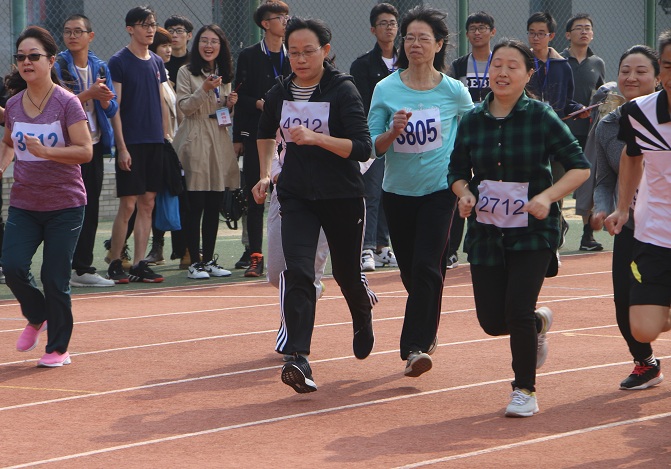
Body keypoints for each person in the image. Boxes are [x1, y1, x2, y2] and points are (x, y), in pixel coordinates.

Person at [449, 39, 590, 417]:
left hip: (533, 230)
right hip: (486, 231)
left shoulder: (541, 117)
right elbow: (457, 172)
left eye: (513, 66)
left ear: (529, 74)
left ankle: (524, 390)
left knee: (518, 309)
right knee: (493, 321)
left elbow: (579, 167)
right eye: (497, 65)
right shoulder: (472, 120)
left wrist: (547, 197)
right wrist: (464, 194)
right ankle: (538, 324)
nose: (502, 72)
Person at [252, 17, 377, 393]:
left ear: (325, 50)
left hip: (341, 195)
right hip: (296, 196)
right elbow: (264, 132)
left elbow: (363, 147)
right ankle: (299, 358)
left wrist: (317, 138)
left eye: (308, 51)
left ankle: (362, 314)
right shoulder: (280, 92)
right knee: (299, 272)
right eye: (293, 53)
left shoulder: (343, 90)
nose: (301, 59)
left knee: (346, 274)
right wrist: (264, 174)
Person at [368, 5, 473, 377]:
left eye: (423, 38)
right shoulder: (386, 88)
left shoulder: (453, 91)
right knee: (413, 275)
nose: (415, 44)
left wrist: (468, 177)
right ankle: (426, 332)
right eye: (409, 37)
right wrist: (392, 132)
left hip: (439, 191)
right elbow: (373, 147)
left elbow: (473, 129)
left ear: (439, 44)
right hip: (398, 193)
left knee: (428, 267)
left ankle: (414, 348)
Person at [0, 26, 93, 367]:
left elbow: (85, 151)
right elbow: (10, 143)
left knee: (54, 278)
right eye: (21, 57)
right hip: (25, 203)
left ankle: (57, 348)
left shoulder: (67, 103)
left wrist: (48, 152)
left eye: (34, 56)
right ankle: (38, 315)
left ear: (51, 61)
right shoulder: (13, 104)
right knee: (12, 266)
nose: (26, 62)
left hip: (64, 205)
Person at [591, 45, 663, 390]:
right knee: (626, 303)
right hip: (632, 226)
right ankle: (645, 363)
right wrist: (602, 208)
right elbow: (605, 178)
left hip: (664, 224)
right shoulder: (608, 125)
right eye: (625, 71)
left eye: (641, 71)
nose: (631, 77)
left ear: (658, 77)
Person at [604, 30, 671, 368]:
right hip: (657, 231)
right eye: (669, 66)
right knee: (643, 328)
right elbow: (632, 156)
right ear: (661, 70)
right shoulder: (638, 113)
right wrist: (621, 207)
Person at [106, 6, 171, 284]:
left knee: (148, 203)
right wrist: (121, 147)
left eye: (152, 24)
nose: (150, 29)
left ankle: (139, 263)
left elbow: (162, 102)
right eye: (144, 25)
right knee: (129, 205)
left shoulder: (156, 62)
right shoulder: (118, 61)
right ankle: (115, 261)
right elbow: (115, 108)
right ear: (130, 29)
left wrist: (165, 136)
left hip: (155, 142)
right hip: (131, 143)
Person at [54, 14, 117, 288]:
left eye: (78, 31)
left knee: (90, 207)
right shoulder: (58, 66)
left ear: (90, 36)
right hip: (68, 148)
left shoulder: (100, 67)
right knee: (66, 208)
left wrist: (104, 101)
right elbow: (57, 106)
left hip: (94, 146)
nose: (72, 36)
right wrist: (89, 94)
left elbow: (113, 108)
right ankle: (61, 266)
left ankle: (82, 268)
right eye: (67, 31)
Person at [173, 24, 239, 280]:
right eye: (204, 41)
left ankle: (209, 260)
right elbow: (185, 108)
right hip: (195, 138)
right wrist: (205, 90)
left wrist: (228, 105)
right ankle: (194, 262)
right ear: (197, 44)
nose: (209, 46)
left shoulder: (224, 74)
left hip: (218, 139)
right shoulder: (186, 72)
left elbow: (221, 115)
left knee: (214, 203)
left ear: (221, 47)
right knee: (196, 204)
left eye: (214, 42)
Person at [233, 1, 292, 278]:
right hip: (258, 135)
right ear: (265, 24)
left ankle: (291, 255)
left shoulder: (293, 53)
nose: (286, 21)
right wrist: (259, 105)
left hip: (290, 135)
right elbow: (239, 96)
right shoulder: (249, 55)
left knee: (289, 195)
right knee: (256, 193)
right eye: (280, 17)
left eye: (287, 16)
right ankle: (255, 255)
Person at [526, 11, 588, 250]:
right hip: (529, 138)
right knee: (531, 188)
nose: (536, 38)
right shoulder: (523, 61)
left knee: (556, 190)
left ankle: (554, 237)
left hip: (555, 139)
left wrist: (579, 109)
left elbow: (567, 101)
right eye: (532, 33)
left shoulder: (562, 65)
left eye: (541, 33)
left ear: (551, 36)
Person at [350, 2, 399, 272]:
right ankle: (366, 248)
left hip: (404, 139)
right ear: (373, 29)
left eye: (392, 23)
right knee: (371, 192)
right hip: (375, 138)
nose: (388, 28)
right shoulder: (362, 65)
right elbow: (362, 105)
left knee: (391, 193)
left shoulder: (407, 61)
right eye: (383, 24)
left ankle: (382, 246)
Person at [446, 10, 497, 269]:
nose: (477, 32)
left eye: (482, 27)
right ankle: (451, 250)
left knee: (492, 187)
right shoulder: (458, 66)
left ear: (492, 32)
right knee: (460, 188)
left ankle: (493, 242)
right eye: (473, 28)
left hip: (495, 134)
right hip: (465, 135)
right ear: (466, 34)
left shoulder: (499, 62)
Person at [560, 13, 606, 252]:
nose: (584, 31)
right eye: (579, 28)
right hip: (560, 132)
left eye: (588, 28)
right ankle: (558, 225)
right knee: (558, 182)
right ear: (568, 35)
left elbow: (601, 97)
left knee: (589, 183)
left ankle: (587, 237)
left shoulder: (598, 63)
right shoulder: (558, 61)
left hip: (588, 134)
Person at [143, 26, 186, 267]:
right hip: (160, 144)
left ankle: (180, 249)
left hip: (173, 143)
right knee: (153, 198)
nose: (169, 49)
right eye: (163, 45)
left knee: (170, 195)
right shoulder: (153, 75)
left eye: (170, 45)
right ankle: (127, 249)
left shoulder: (166, 77)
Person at [164, 15, 193, 88]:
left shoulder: (195, 61)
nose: (174, 35)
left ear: (189, 35)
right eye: (170, 31)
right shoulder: (162, 61)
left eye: (179, 31)